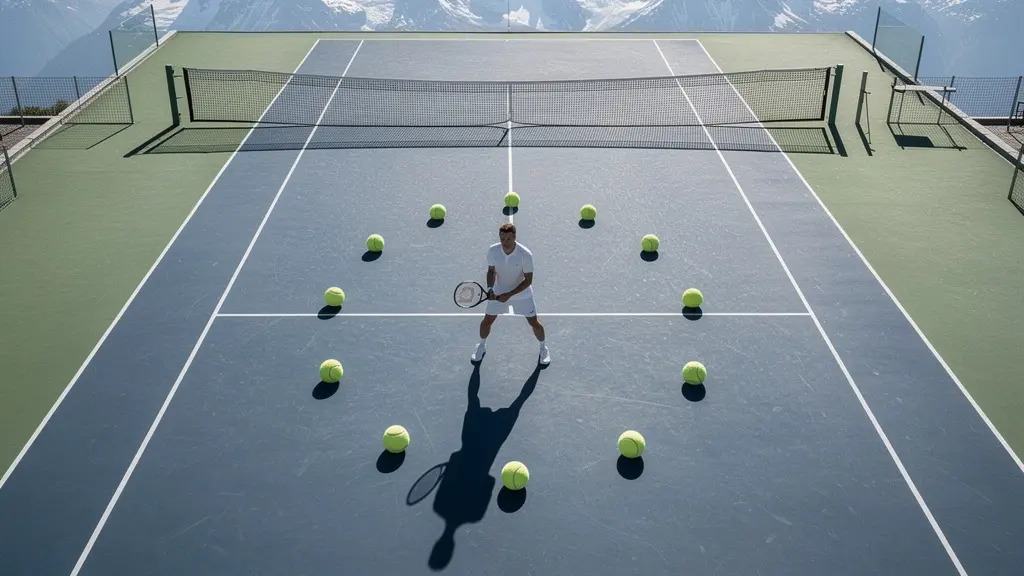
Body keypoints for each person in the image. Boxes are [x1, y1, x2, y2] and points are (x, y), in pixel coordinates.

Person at [473, 223, 550, 365]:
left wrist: (509, 294)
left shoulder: (525, 254)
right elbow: (491, 271)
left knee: (534, 323)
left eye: (508, 239)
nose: (505, 242)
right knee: (486, 321)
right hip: (498, 291)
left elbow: (528, 281)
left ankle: (543, 348)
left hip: (522, 294)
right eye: (502, 239)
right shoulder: (493, 250)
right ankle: (481, 345)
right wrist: (490, 288)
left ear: (515, 237)